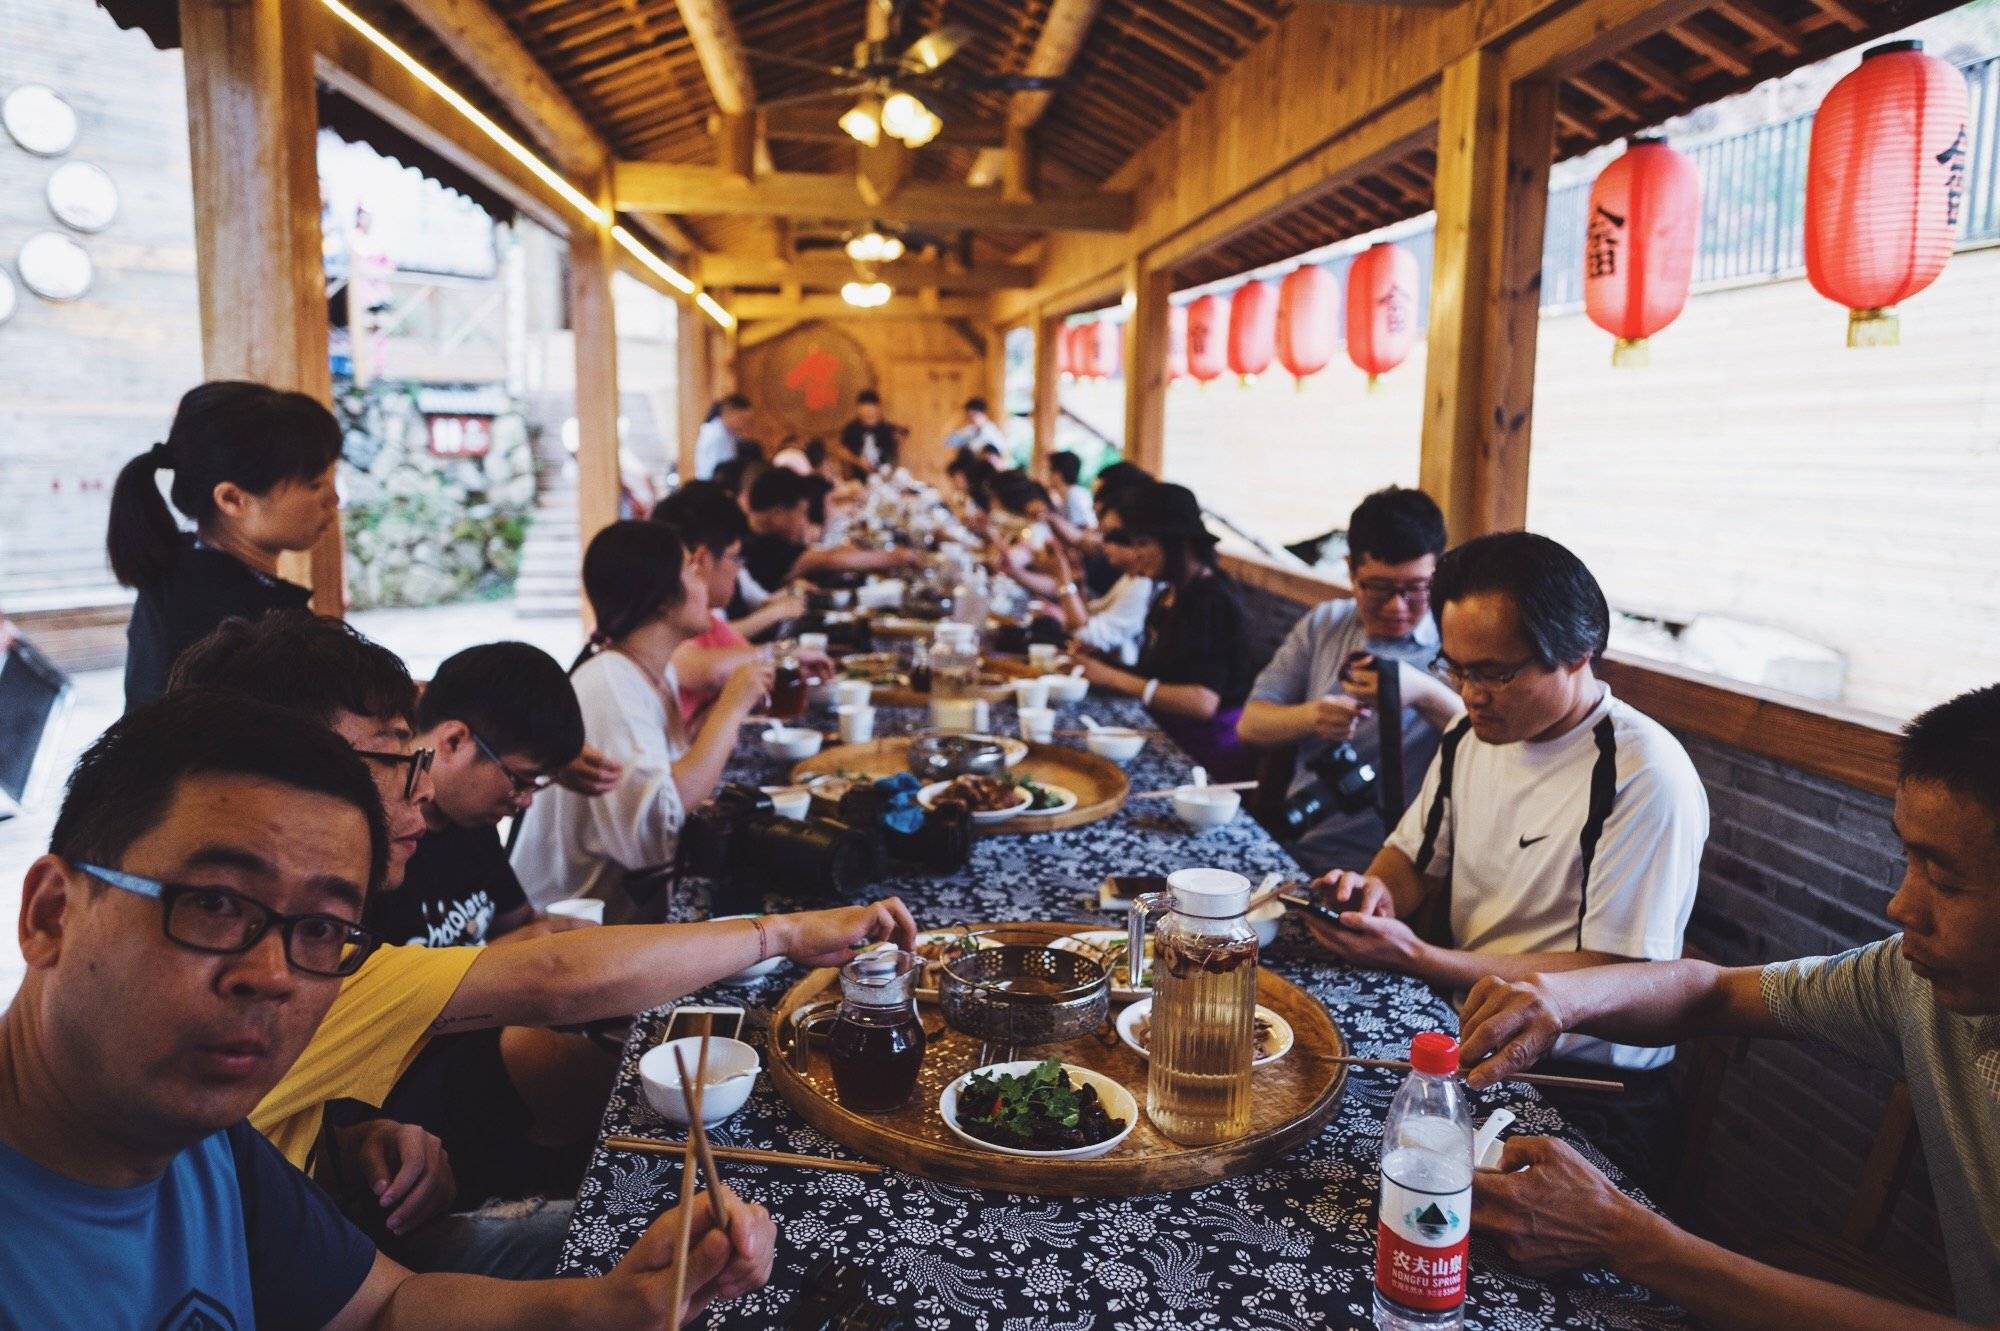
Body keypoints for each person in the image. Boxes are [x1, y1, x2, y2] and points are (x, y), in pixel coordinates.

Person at [0, 690, 774, 1326]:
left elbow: (385, 1306)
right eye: (215, 903)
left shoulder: (205, 1144)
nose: (270, 974)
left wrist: (610, 1306)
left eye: (321, 929)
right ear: (49, 914)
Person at [1461, 682, 2000, 1328]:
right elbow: (1715, 990)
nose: (1900, 907)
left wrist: (1631, 1239)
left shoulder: (1646, 771)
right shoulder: (1909, 977)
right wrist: (1563, 994)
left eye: (1944, 878)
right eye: (1906, 859)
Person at [1303, 530, 1706, 1197]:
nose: (1470, 693)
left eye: (1494, 672)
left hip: (1583, 1093)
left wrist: (1422, 958)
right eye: (1455, 669)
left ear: (1579, 651)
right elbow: (1414, 855)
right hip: (1468, 1048)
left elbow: (1619, 976)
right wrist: (1374, 892)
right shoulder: (1472, 733)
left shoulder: (1642, 774)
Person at [512, 520, 774, 914]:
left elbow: (669, 775)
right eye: (690, 569)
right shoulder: (609, 685)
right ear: (662, 600)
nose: (702, 581)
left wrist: (713, 720)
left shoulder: (653, 670)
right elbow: (655, 833)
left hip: (620, 915)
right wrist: (729, 710)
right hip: (561, 927)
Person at [1236, 487, 1463, 875]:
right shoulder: (1326, 623)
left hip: (1402, 869)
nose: (1397, 606)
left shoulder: (1458, 641)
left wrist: (1422, 692)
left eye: (1416, 588)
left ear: (1436, 576)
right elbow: (1250, 724)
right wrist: (1311, 717)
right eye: (1378, 587)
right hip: (1301, 842)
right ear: (1351, 571)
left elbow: (1496, 749)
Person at [108, 380, 342, 711]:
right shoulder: (245, 625)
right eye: (314, 484)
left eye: (333, 480)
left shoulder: (178, 574)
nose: (333, 500)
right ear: (232, 498)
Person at [375, 641, 587, 949]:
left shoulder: (470, 823)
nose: (525, 801)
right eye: (519, 780)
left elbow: (519, 925)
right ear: (454, 741)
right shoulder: (376, 843)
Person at [1070, 482, 1258, 779]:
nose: (1137, 554)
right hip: (1169, 731)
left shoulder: (1212, 601)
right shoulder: (1169, 593)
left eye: (1145, 543)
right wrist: (1103, 661)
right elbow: (1162, 674)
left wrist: (1111, 676)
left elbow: (1202, 703)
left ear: (1177, 543)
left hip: (1207, 754)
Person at [653, 481, 807, 717]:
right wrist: (783, 653)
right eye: (734, 558)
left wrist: (787, 657)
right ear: (701, 560)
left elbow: (744, 658)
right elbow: (707, 669)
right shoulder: (658, 618)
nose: (738, 571)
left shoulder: (708, 620)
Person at [739, 467, 916, 594]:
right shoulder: (762, 545)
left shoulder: (755, 533)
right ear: (778, 514)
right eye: (801, 513)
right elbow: (829, 559)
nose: (804, 522)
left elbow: (826, 554)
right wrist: (902, 556)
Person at [1043, 501, 1153, 666]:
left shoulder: (1143, 584)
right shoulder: (1129, 578)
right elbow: (1090, 613)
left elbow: (1085, 633)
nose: (1104, 543)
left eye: (1113, 535)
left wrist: (1063, 577)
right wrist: (1078, 582)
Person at [839, 389, 902, 473]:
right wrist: (857, 461)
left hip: (885, 475)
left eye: (871, 407)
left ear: (878, 408)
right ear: (858, 408)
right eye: (864, 407)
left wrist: (899, 441)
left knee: (902, 473)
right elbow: (842, 451)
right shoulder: (851, 428)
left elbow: (894, 451)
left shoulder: (886, 427)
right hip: (860, 476)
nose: (868, 411)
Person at [693, 393, 753, 480]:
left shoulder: (728, 433)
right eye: (743, 419)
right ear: (729, 413)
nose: (745, 425)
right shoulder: (717, 435)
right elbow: (719, 471)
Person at [1045, 450, 1096, 529]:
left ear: (1058, 474)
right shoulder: (1066, 496)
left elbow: (1085, 528)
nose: (1046, 475)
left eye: (1049, 470)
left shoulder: (1075, 496)